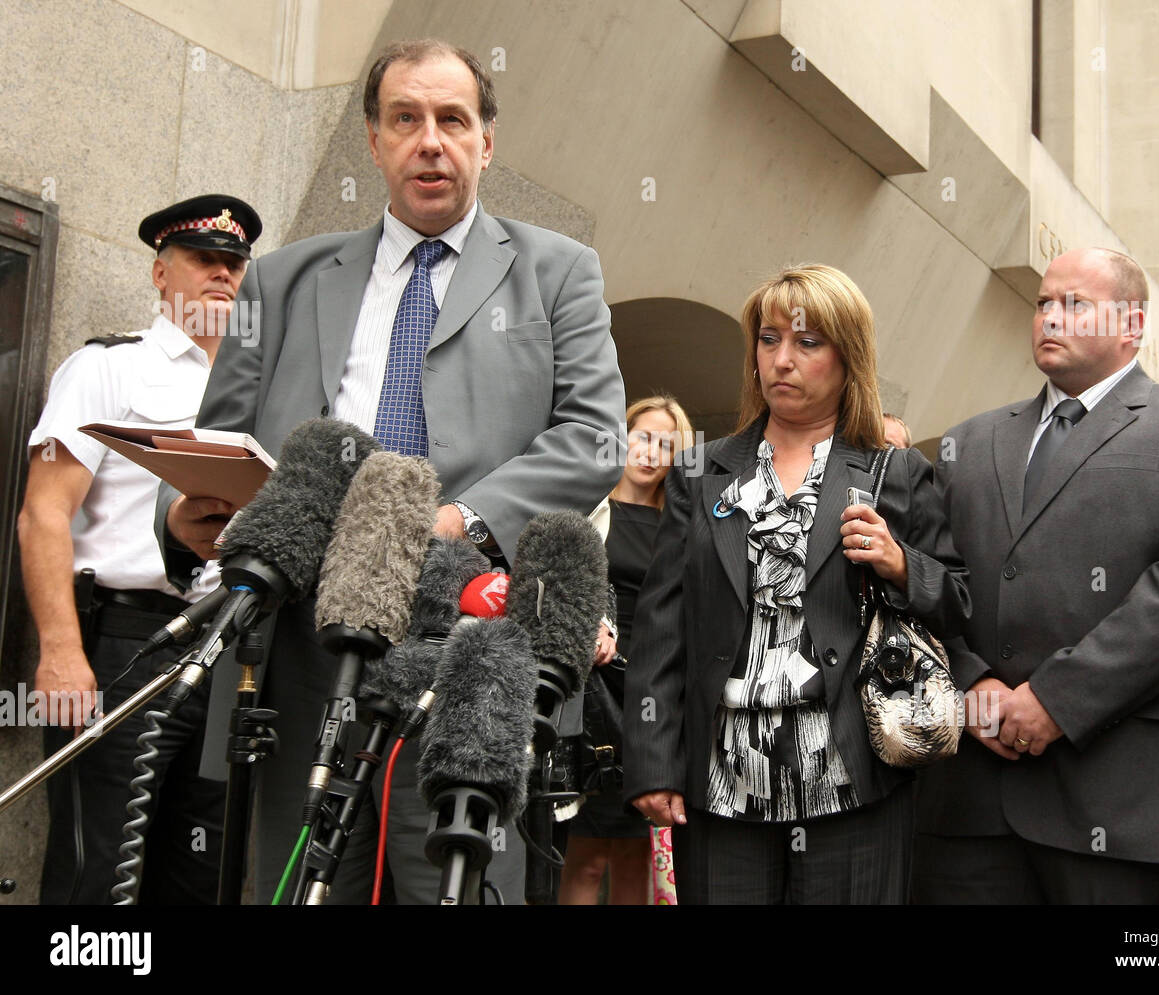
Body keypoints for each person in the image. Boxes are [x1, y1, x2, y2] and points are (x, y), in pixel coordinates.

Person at [157, 39, 624, 905]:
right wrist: (180, 514)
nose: (429, 140)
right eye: (404, 118)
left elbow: (595, 438)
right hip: (300, 645)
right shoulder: (282, 280)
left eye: (453, 119)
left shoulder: (559, 272)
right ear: (372, 140)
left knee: (449, 881)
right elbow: (220, 442)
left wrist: (455, 523)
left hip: (472, 645)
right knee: (294, 885)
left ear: (488, 141)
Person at [913, 247, 1159, 904]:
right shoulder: (968, 440)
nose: (1050, 315)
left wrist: (1055, 700)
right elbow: (931, 578)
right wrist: (975, 683)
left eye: (1074, 303)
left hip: (1118, 797)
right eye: (1044, 302)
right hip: (969, 803)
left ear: (1132, 325)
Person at [623, 264, 971, 904]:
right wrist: (651, 761)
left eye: (808, 343)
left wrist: (899, 563)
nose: (782, 359)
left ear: (848, 359)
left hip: (855, 776)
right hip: (722, 775)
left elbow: (959, 603)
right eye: (769, 339)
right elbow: (661, 626)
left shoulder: (896, 473)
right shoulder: (700, 472)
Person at [17, 194, 262, 903]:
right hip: (126, 641)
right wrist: (61, 650)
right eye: (203, 260)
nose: (223, 276)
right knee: (99, 869)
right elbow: (43, 515)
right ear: (161, 274)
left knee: (202, 871)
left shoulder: (257, 392)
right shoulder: (108, 368)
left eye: (235, 265)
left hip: (228, 651)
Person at [558, 395, 694, 906]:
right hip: (593, 689)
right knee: (589, 854)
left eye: (666, 444)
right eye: (644, 436)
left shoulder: (680, 521)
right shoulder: (588, 504)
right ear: (622, 437)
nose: (652, 451)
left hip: (653, 690)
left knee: (640, 855)